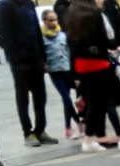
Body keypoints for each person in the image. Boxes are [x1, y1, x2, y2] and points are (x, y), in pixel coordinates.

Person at [67, 0, 120, 151]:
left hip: (82, 66)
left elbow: (72, 46)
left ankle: (87, 141)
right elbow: (103, 40)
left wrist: (74, 73)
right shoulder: (95, 15)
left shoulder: (73, 14)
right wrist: (112, 46)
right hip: (98, 64)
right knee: (108, 101)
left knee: (94, 104)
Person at [0, 0, 57, 145]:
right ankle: (28, 133)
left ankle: (40, 130)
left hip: (35, 58)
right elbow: (7, 35)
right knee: (23, 99)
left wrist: (43, 57)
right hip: (20, 62)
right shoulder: (6, 5)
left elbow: (37, 31)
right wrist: (14, 60)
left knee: (40, 97)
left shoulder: (29, 4)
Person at [41, 6, 80, 137]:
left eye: (55, 20)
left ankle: (68, 127)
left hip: (67, 70)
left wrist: (74, 72)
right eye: (50, 20)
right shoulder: (42, 38)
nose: (54, 23)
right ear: (44, 21)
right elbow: (42, 55)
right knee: (66, 97)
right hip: (55, 72)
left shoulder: (62, 35)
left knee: (67, 99)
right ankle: (79, 123)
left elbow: (69, 53)